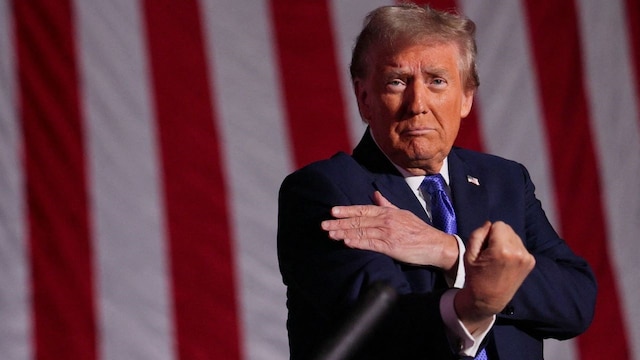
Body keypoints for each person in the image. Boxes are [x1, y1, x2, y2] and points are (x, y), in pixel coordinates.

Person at [277, 3, 596, 359]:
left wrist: (449, 252)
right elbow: (381, 330)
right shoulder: (325, 189)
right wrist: (473, 305)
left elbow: (576, 301)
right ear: (365, 98)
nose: (417, 104)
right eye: (396, 82)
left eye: (437, 81)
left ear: (466, 98)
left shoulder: (504, 180)